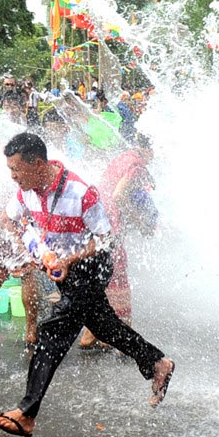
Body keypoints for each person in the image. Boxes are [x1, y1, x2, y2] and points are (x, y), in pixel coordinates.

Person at [0, 133, 174, 437]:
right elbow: (9, 220)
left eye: (17, 170)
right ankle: (157, 363)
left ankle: (27, 412)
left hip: (90, 268)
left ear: (37, 163)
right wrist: (32, 250)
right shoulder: (26, 193)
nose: (13, 178)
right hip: (64, 270)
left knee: (53, 333)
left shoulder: (80, 192)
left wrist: (70, 259)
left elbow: (105, 240)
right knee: (104, 327)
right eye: (10, 171)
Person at [79, 134, 159, 348]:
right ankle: (121, 340)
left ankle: (92, 334)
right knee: (117, 274)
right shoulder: (136, 165)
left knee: (101, 276)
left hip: (96, 218)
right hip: (110, 224)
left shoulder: (123, 157)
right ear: (148, 149)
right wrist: (140, 221)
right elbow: (119, 195)